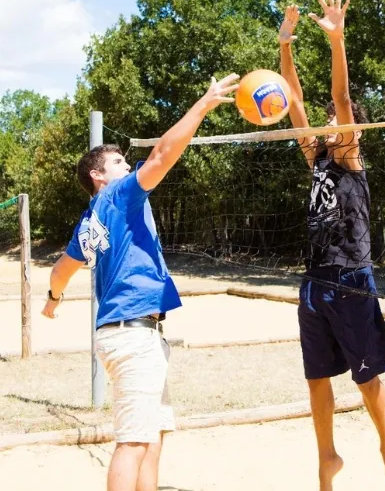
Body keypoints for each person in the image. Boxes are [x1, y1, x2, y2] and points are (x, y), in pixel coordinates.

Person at [41, 74, 240, 491]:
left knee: (152, 436)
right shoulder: (118, 195)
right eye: (117, 162)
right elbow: (164, 153)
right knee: (132, 443)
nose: (126, 166)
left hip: (127, 333)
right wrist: (204, 103)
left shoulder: (88, 220)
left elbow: (61, 269)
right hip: (132, 334)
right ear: (99, 175)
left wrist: (52, 299)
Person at [279, 0, 385, 491]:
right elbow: (294, 101)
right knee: (316, 377)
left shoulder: (351, 155)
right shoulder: (316, 159)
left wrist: (337, 40)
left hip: (353, 276)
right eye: (329, 124)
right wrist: (285, 43)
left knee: (366, 374)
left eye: (338, 123)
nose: (330, 124)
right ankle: (326, 458)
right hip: (314, 281)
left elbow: (340, 97)